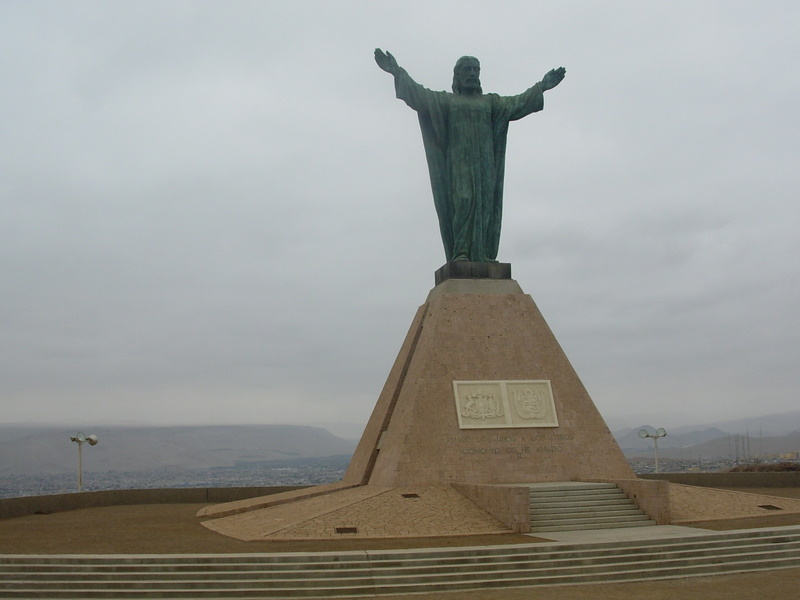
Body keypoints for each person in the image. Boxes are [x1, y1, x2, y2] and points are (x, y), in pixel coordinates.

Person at [375, 49, 565, 263]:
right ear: (457, 75)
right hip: (459, 166)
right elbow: (419, 95)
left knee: (485, 207)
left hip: (485, 166)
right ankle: (461, 252)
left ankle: (482, 254)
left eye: (476, 70)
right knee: (464, 201)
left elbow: (518, 103)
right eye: (467, 69)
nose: (472, 74)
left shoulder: (491, 103)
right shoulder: (447, 102)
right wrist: (396, 72)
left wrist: (541, 87)